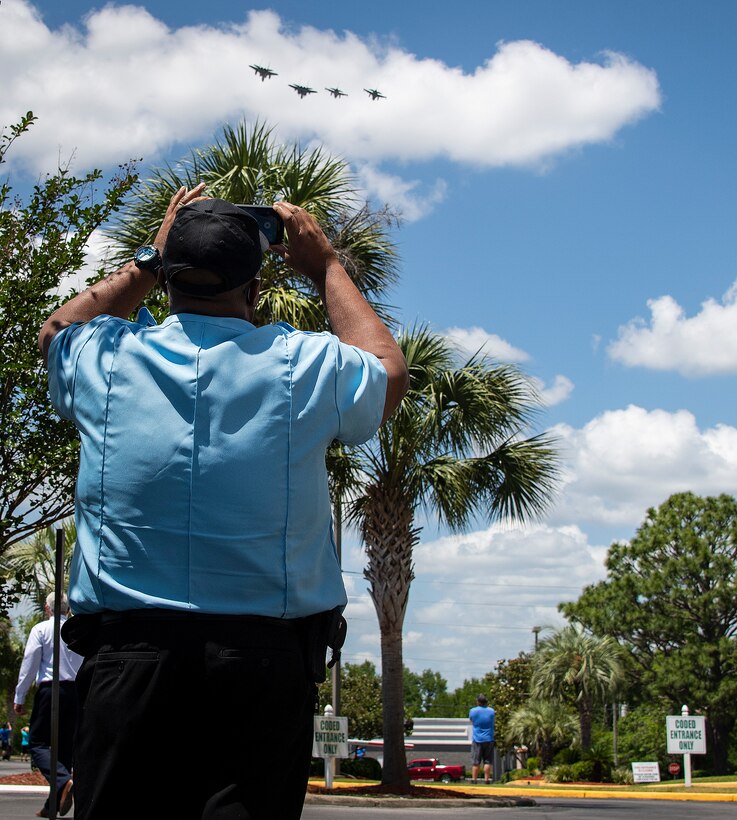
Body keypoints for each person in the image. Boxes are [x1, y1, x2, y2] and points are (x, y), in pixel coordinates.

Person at [40, 187, 408, 820]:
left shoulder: (106, 358)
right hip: (261, 666)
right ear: (255, 288)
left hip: (128, 664)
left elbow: (58, 330)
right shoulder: (305, 364)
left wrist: (146, 259)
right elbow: (386, 369)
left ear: (168, 280)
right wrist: (327, 267)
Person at [14, 592, 83, 817]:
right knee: (63, 747)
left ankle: (63, 781)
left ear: (47, 608)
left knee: (37, 742)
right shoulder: (76, 631)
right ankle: (52, 804)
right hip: (74, 692)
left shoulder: (41, 630)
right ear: (68, 609)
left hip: (50, 690)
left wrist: (20, 697)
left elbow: (29, 663)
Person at [469, 694, 496, 783]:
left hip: (477, 739)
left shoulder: (473, 711)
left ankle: (474, 779)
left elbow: (471, 720)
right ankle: (487, 779)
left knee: (476, 761)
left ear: (478, 702)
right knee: (487, 761)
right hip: (489, 739)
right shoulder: (491, 711)